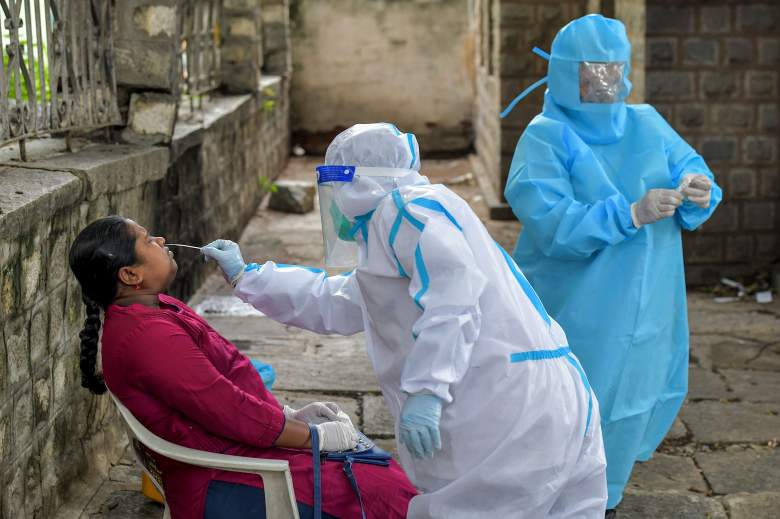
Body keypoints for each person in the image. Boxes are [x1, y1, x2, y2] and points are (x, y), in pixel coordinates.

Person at [202, 123, 608, 518]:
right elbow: (338, 301)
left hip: (510, 406)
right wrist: (248, 276)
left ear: (360, 183)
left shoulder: (408, 209)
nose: (335, 203)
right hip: (542, 400)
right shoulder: (397, 227)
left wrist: (427, 389)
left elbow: (454, 296)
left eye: (337, 187)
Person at [501, 14, 722, 516]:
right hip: (575, 303)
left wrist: (698, 190)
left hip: (648, 302)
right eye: (592, 73)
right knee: (566, 402)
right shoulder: (546, 136)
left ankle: (605, 499)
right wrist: (628, 214)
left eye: (614, 70)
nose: (607, 84)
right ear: (563, 74)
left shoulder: (645, 121)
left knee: (633, 399)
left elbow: (691, 165)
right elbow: (551, 223)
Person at [68, 216, 417, 519]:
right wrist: (312, 436)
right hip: (225, 478)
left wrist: (289, 414)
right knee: (383, 492)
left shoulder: (157, 309)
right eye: (147, 240)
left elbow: (226, 383)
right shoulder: (147, 336)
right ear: (130, 274)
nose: (160, 239)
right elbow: (228, 409)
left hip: (234, 447)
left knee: (375, 466)